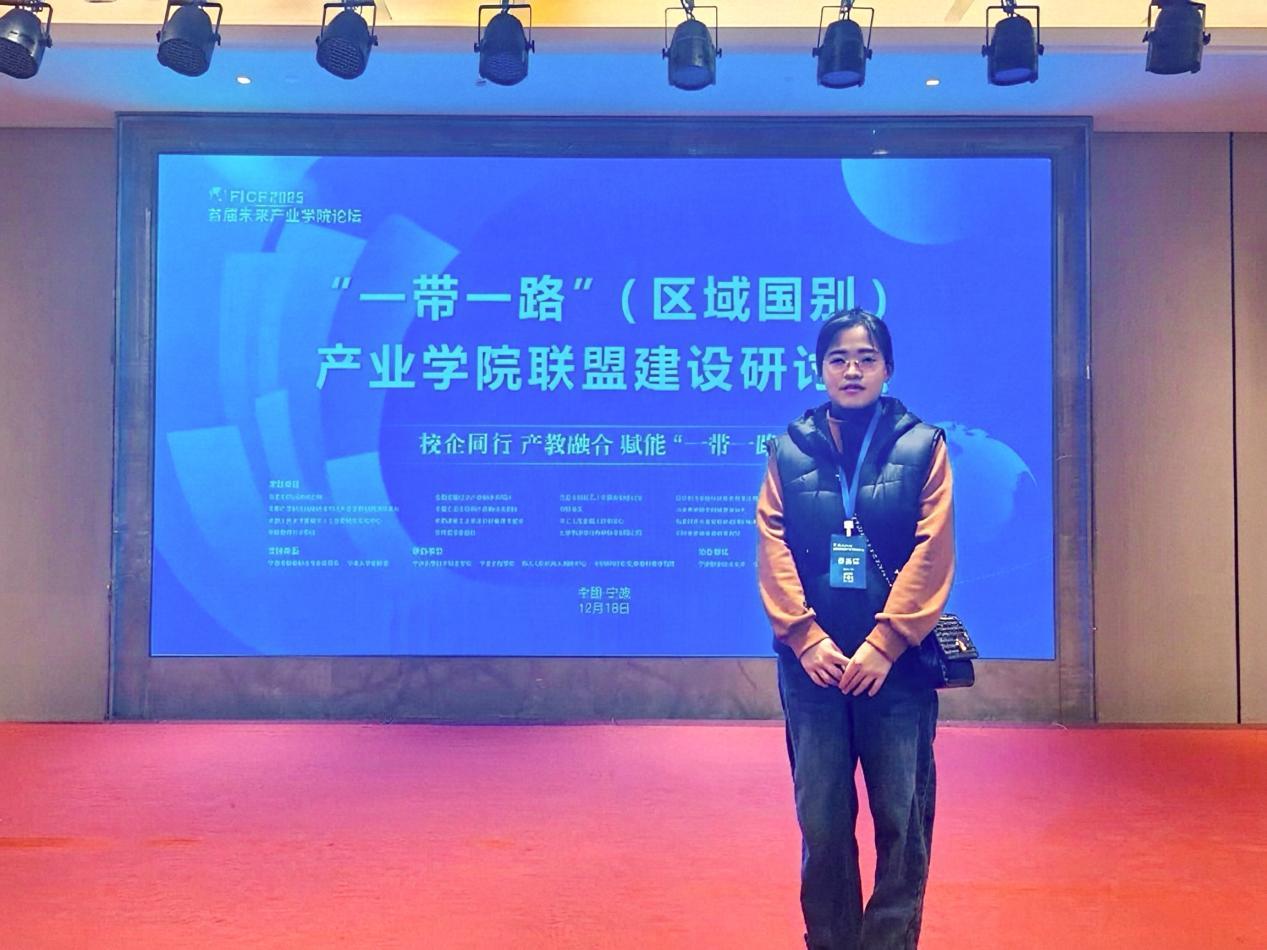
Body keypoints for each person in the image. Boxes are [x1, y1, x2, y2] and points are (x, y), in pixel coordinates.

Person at [756, 308, 954, 950]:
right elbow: (772, 545)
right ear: (820, 369)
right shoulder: (788, 449)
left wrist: (886, 642)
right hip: (813, 670)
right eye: (838, 358)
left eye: (866, 359)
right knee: (822, 823)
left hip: (894, 671)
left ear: (887, 368)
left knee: (902, 819)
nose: (851, 370)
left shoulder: (923, 446)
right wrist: (805, 637)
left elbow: (932, 550)